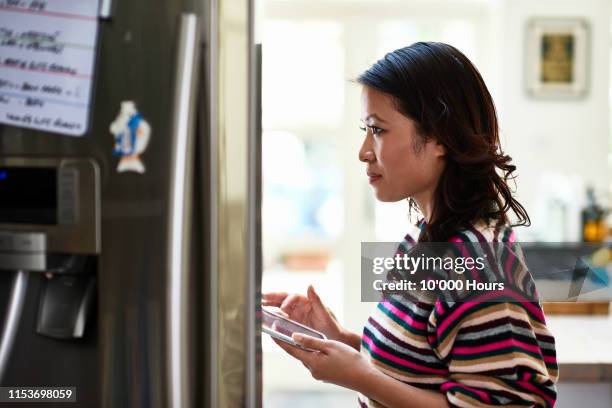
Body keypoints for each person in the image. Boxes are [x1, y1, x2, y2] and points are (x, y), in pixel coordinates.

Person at [263, 42, 558, 407]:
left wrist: (359, 375)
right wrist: (338, 340)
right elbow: (417, 368)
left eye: (378, 130)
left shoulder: (477, 266)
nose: (363, 151)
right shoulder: (425, 240)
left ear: (439, 138)